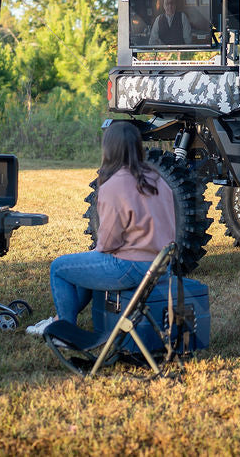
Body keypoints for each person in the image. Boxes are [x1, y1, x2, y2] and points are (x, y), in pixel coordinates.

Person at [27, 121, 176, 336]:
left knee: (59, 267)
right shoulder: (157, 179)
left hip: (131, 267)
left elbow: (108, 243)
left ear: (109, 148)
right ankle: (58, 321)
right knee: (85, 265)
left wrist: (99, 252)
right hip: (161, 266)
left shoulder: (114, 184)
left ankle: (63, 331)